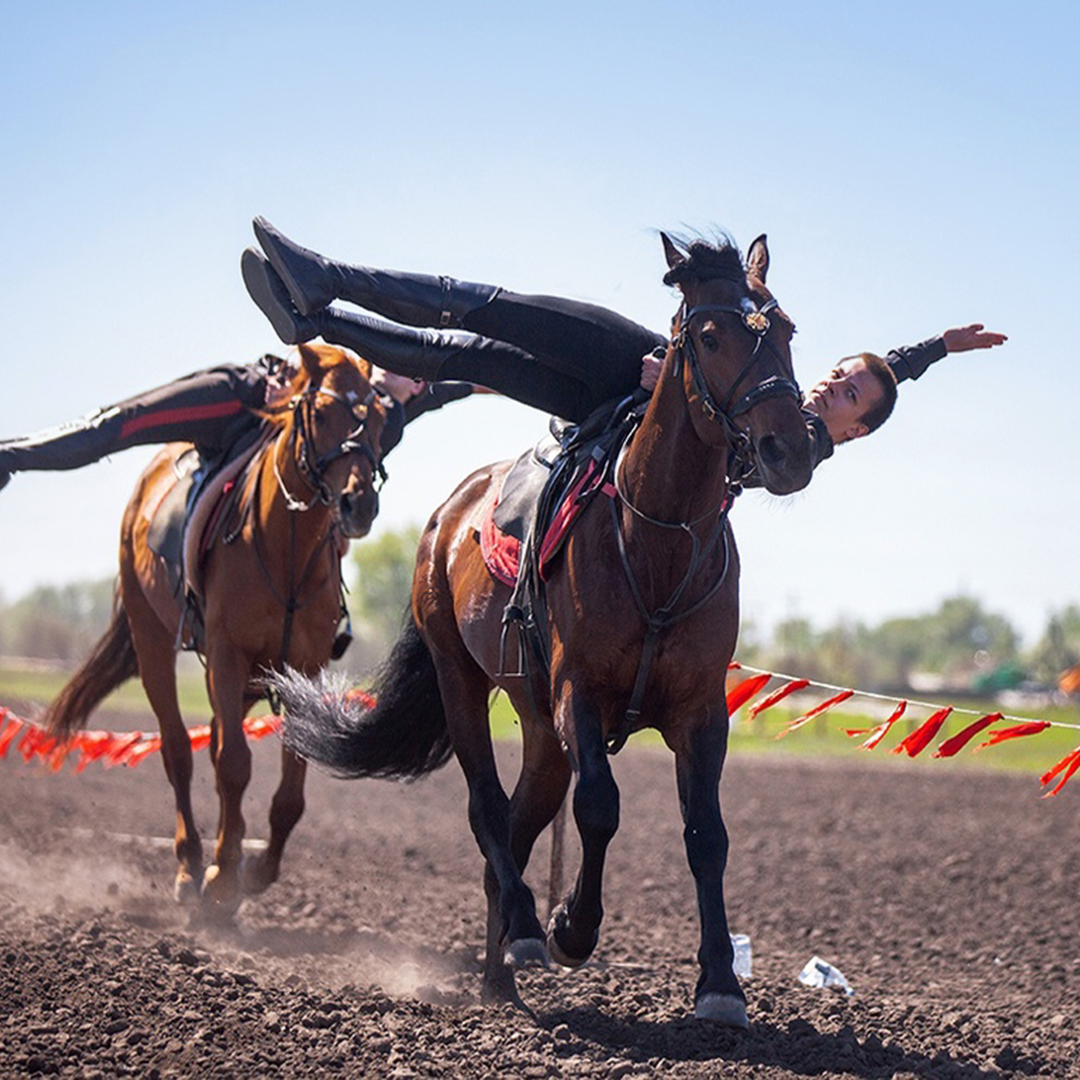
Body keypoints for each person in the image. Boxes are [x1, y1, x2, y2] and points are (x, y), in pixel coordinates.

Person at [241, 217, 1007, 471]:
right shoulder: (801, 397)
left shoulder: (799, 447)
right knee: (481, 323)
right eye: (838, 375)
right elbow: (885, 371)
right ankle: (319, 301)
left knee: (481, 329)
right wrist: (936, 346)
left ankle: (322, 297)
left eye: (845, 395)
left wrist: (668, 382)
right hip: (625, 400)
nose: (830, 386)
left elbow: (741, 438)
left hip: (628, 384)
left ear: (853, 430)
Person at [0, 352, 475, 494]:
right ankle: (10, 456)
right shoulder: (349, 369)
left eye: (413, 373)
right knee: (123, 425)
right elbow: (307, 338)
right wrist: (293, 371)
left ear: (418, 389)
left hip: (262, 461)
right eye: (394, 358)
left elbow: (479, 380)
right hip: (236, 402)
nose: (397, 366)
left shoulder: (392, 413)